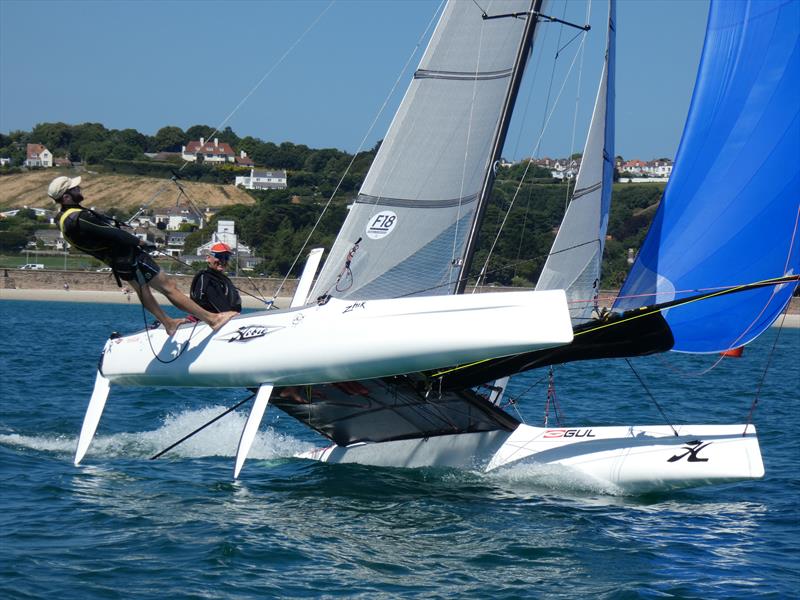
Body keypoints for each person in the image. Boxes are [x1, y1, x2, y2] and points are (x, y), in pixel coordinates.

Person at [48, 175, 237, 335]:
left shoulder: (62, 219)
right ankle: (212, 319)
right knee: (169, 287)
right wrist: (140, 242)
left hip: (117, 261)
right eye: (75, 188)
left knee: (143, 291)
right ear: (66, 197)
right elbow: (113, 234)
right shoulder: (79, 217)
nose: (79, 188)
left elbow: (99, 233)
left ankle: (168, 324)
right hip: (130, 256)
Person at [190, 242, 242, 313]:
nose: (223, 261)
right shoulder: (206, 279)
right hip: (207, 321)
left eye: (226, 257)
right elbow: (221, 307)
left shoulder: (224, 280)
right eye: (219, 256)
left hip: (228, 318)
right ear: (208, 258)